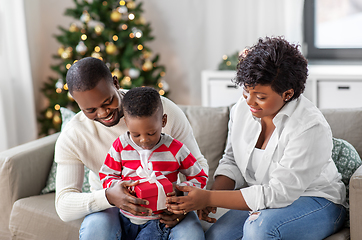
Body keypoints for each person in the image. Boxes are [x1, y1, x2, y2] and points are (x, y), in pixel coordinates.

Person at [165, 36, 347, 240]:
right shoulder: (242, 109)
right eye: (246, 90)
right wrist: (210, 201)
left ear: (287, 94)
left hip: (316, 200)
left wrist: (208, 196)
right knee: (216, 236)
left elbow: (279, 193)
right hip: (265, 197)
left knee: (259, 230)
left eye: (260, 97)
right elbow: (232, 160)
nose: (249, 101)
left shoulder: (309, 127)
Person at [54, 57, 209, 240]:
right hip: (109, 205)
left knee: (191, 236)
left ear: (115, 82)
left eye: (107, 101)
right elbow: (64, 205)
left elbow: (198, 165)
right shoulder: (74, 135)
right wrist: (109, 197)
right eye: (90, 110)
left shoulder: (159, 110)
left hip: (166, 204)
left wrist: (182, 205)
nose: (103, 113)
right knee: (95, 232)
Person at [99, 86, 207, 239]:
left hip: (158, 221)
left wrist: (180, 192)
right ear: (126, 123)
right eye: (136, 134)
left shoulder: (175, 149)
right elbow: (106, 175)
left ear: (163, 121)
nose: (144, 140)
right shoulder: (120, 146)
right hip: (124, 217)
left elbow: (199, 177)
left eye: (151, 133)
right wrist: (118, 189)